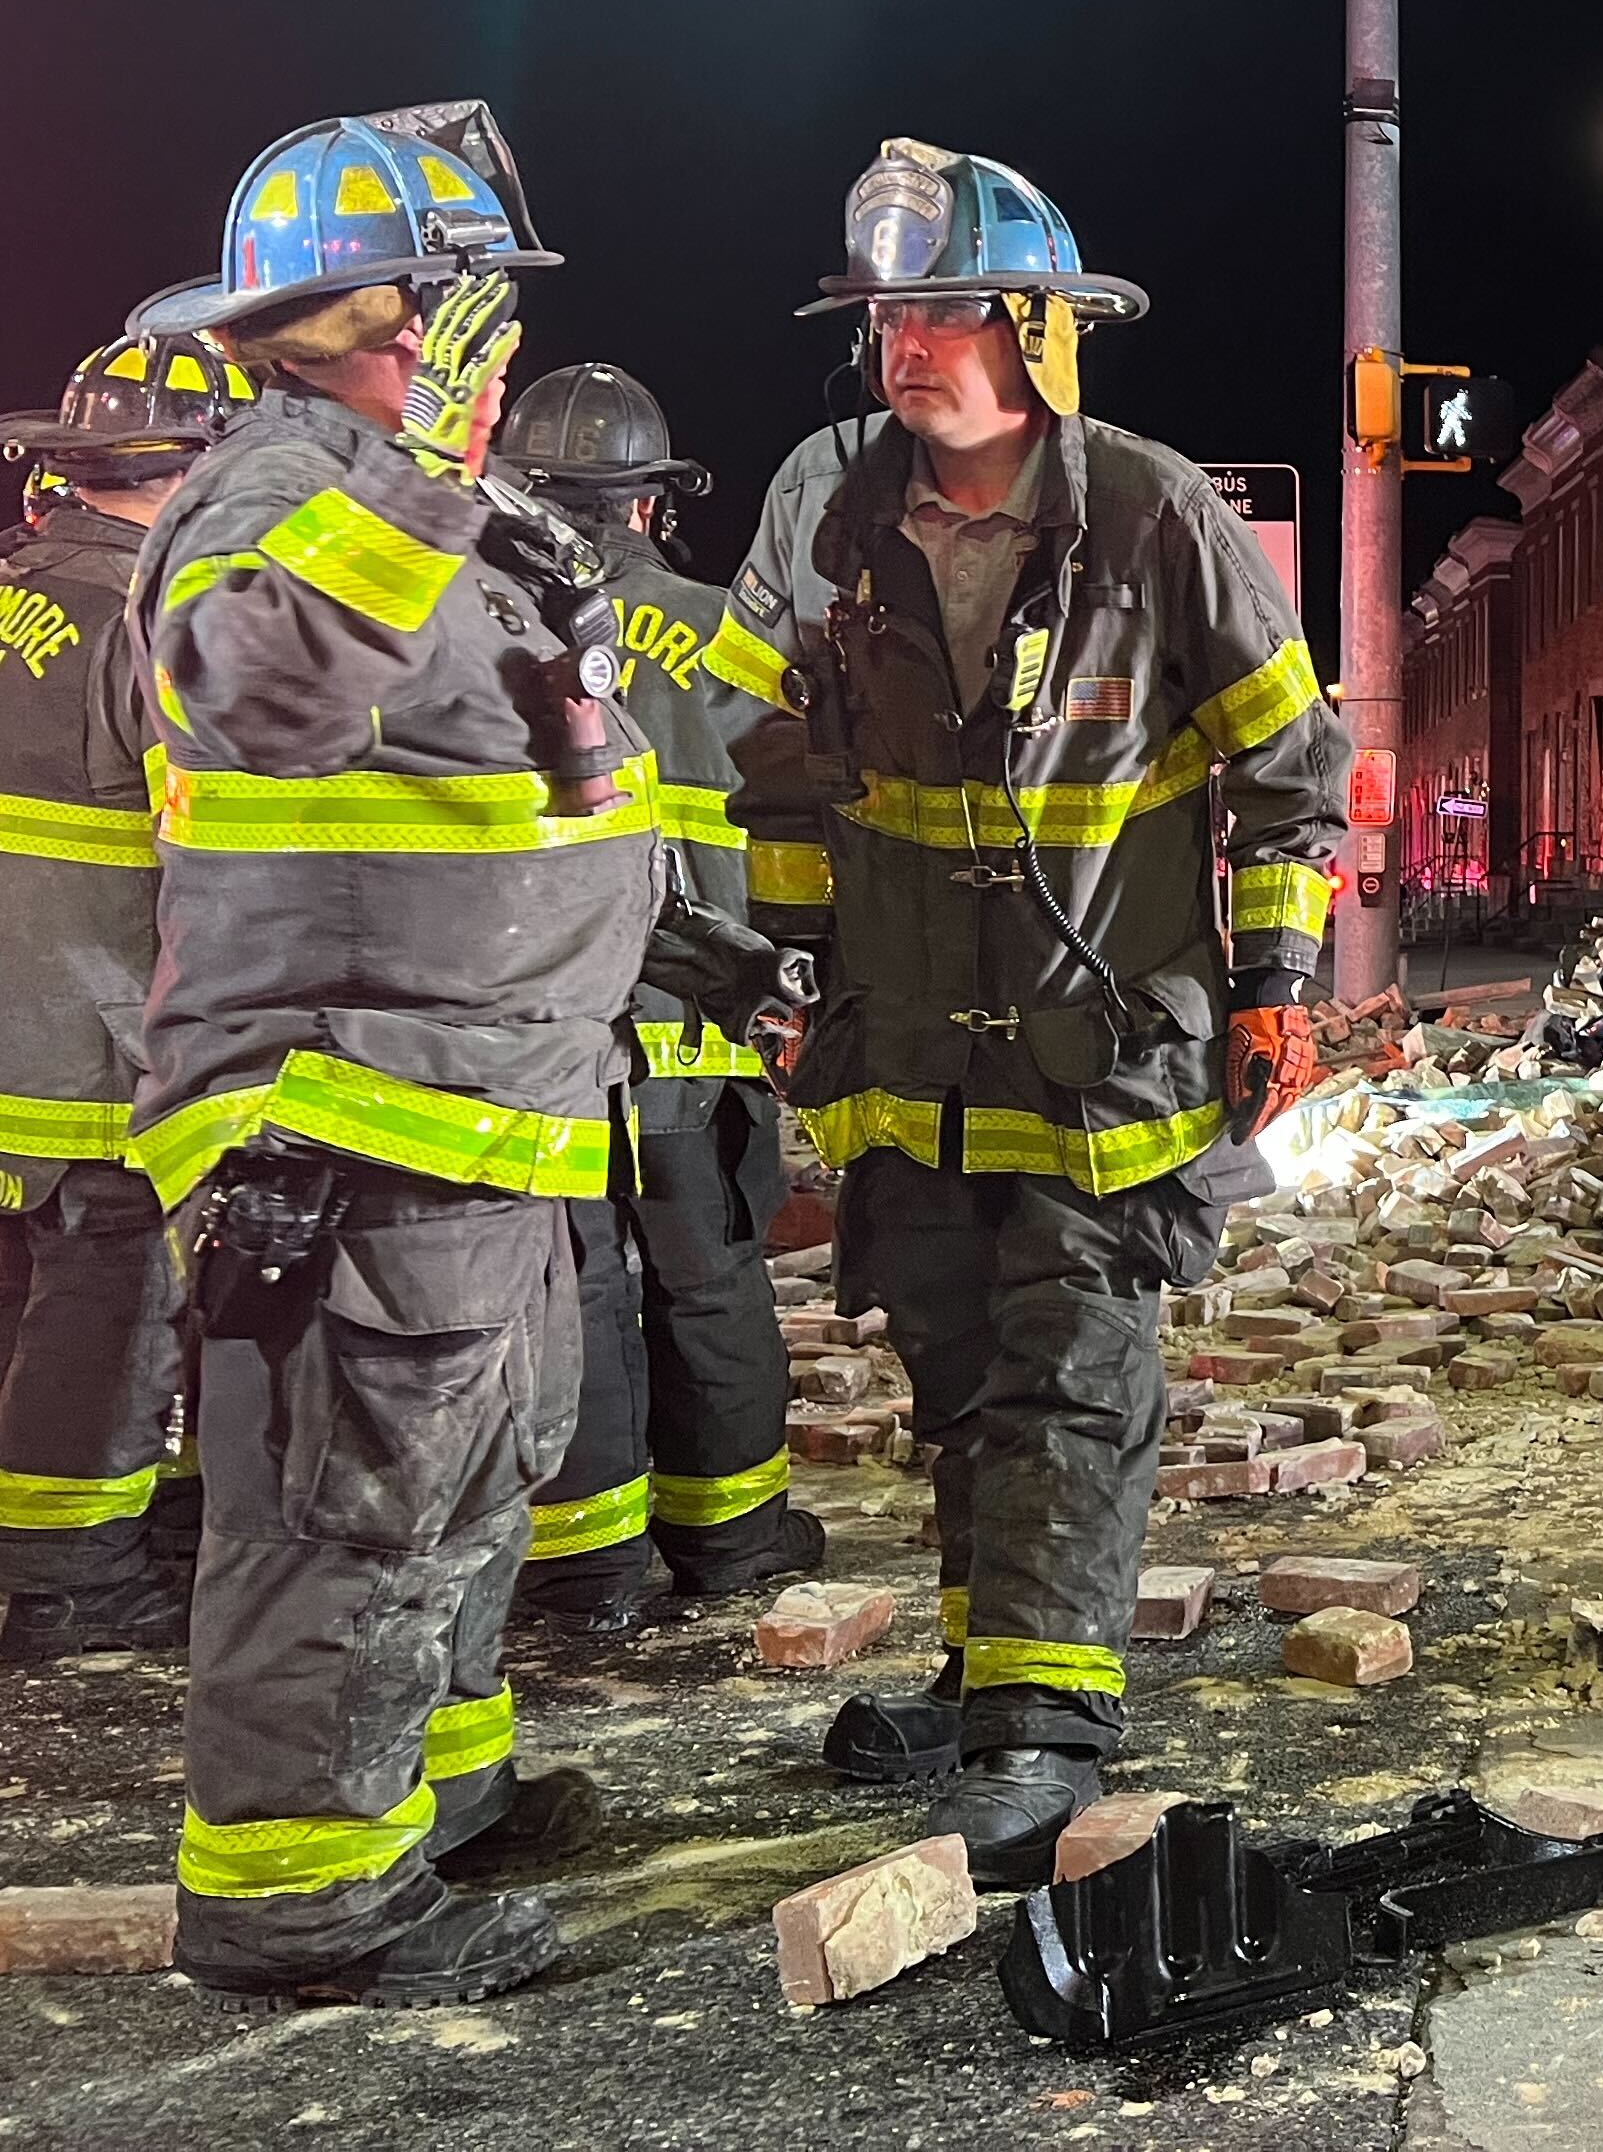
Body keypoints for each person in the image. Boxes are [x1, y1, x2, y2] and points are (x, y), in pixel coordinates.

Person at [729, 140, 1350, 1888]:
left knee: (1075, 1369)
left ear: (1030, 329)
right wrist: (788, 978)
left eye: (935, 310)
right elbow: (772, 772)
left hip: (1104, 1042)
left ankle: (1045, 1719)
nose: (900, 344)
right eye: (881, 315)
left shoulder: (1153, 513)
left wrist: (1278, 980)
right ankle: (976, 1664)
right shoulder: (833, 512)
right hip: (906, 1045)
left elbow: (1293, 769)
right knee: (953, 1376)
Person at [126, 104, 641, 2007]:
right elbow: (257, 682)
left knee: (454, 1480)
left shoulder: (409, 486)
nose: (490, 326)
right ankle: (303, 1898)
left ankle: (425, 1801)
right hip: (351, 1121)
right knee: (344, 1511)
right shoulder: (283, 484)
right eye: (469, 291)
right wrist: (423, 477)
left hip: (476, 1106)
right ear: (407, 312)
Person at [492, 364, 825, 1634]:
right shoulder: (722, 629)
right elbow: (802, 832)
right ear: (647, 504)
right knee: (709, 1274)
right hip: (697, 1034)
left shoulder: (479, 625)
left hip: (549, 1037)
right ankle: (733, 1535)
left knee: (568, 1285)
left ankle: (584, 1570)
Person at [0, 337, 253, 1659]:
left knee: (20, 1309)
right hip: (84, 1049)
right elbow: (219, 848)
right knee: (103, 1302)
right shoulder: (155, 624)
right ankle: (72, 1582)